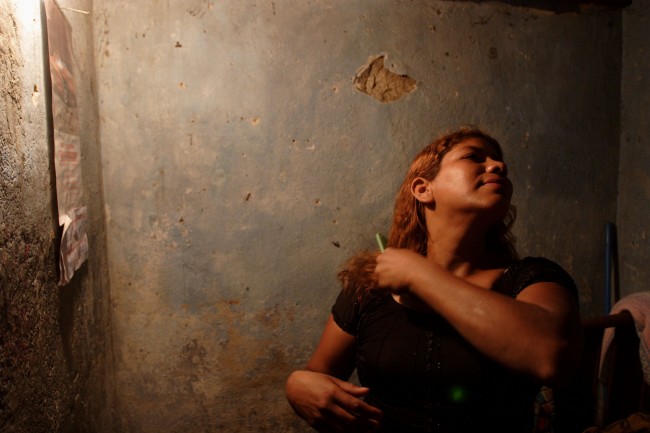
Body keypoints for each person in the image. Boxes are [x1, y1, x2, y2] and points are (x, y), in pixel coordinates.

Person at [285, 127, 582, 433]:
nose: (499, 166)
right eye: (473, 157)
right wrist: (297, 387)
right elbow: (318, 373)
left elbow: (551, 355)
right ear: (423, 189)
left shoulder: (532, 278)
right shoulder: (370, 287)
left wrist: (419, 274)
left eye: (499, 162)